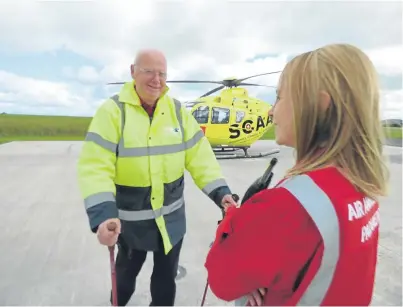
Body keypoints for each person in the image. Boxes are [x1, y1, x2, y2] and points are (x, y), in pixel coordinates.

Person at [204, 43, 390, 306]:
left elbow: (221, 280)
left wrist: (233, 219)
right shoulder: (362, 184)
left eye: (279, 97)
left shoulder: (284, 207)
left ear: (319, 105)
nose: (271, 111)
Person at [76, 49, 237, 306]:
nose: (156, 79)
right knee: (124, 280)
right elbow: (96, 166)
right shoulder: (113, 112)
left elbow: (199, 156)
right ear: (132, 72)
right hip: (130, 226)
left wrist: (222, 193)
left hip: (171, 223)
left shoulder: (177, 111)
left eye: (162, 73)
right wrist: (103, 215)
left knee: (165, 283)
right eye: (148, 71)